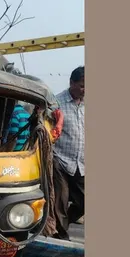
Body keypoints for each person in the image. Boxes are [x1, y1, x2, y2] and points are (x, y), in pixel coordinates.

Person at [52, 66, 85, 239]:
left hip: (81, 163)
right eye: (82, 85)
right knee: (61, 200)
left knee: (84, 203)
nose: (85, 89)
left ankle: (63, 223)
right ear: (71, 83)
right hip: (60, 160)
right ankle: (61, 235)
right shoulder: (57, 103)